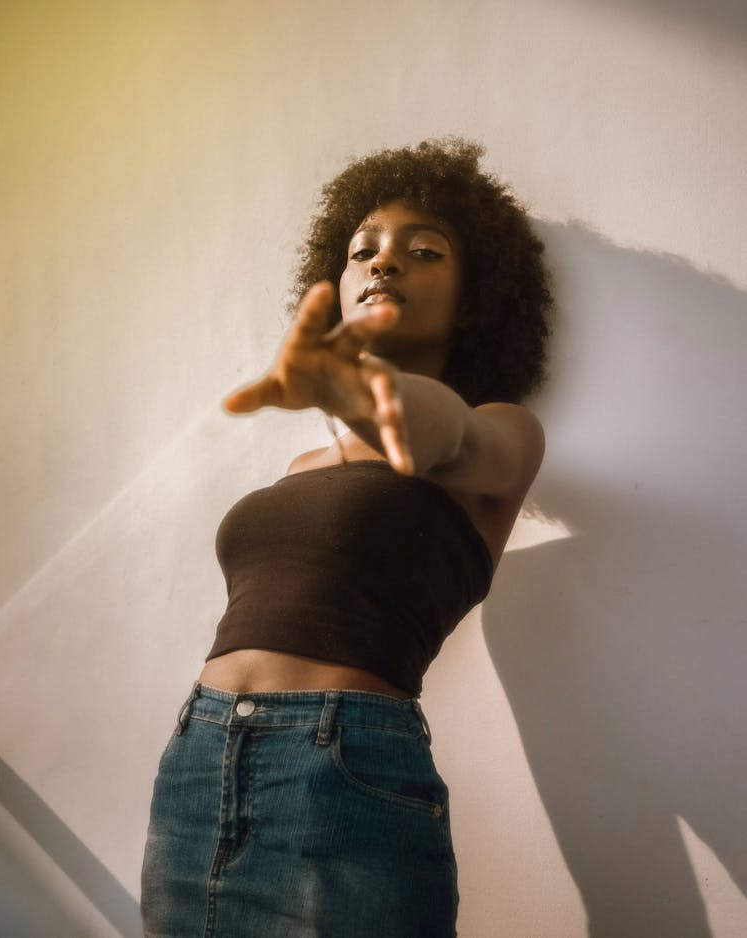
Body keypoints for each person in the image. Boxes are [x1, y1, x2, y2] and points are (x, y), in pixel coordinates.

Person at [141, 138, 552, 937]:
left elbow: (450, 437)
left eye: (421, 249)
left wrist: (372, 393)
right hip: (197, 757)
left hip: (344, 774)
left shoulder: (504, 431)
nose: (382, 263)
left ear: (474, 300)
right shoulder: (301, 463)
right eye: (363, 249)